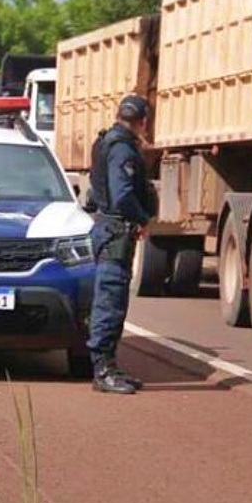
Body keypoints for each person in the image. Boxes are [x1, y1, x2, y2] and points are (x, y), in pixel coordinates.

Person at [85, 94, 157, 394]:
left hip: (110, 228)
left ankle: (109, 367)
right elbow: (123, 195)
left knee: (112, 300)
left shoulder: (107, 142)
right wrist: (141, 218)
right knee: (110, 302)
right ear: (142, 121)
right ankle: (103, 370)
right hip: (116, 231)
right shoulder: (122, 149)